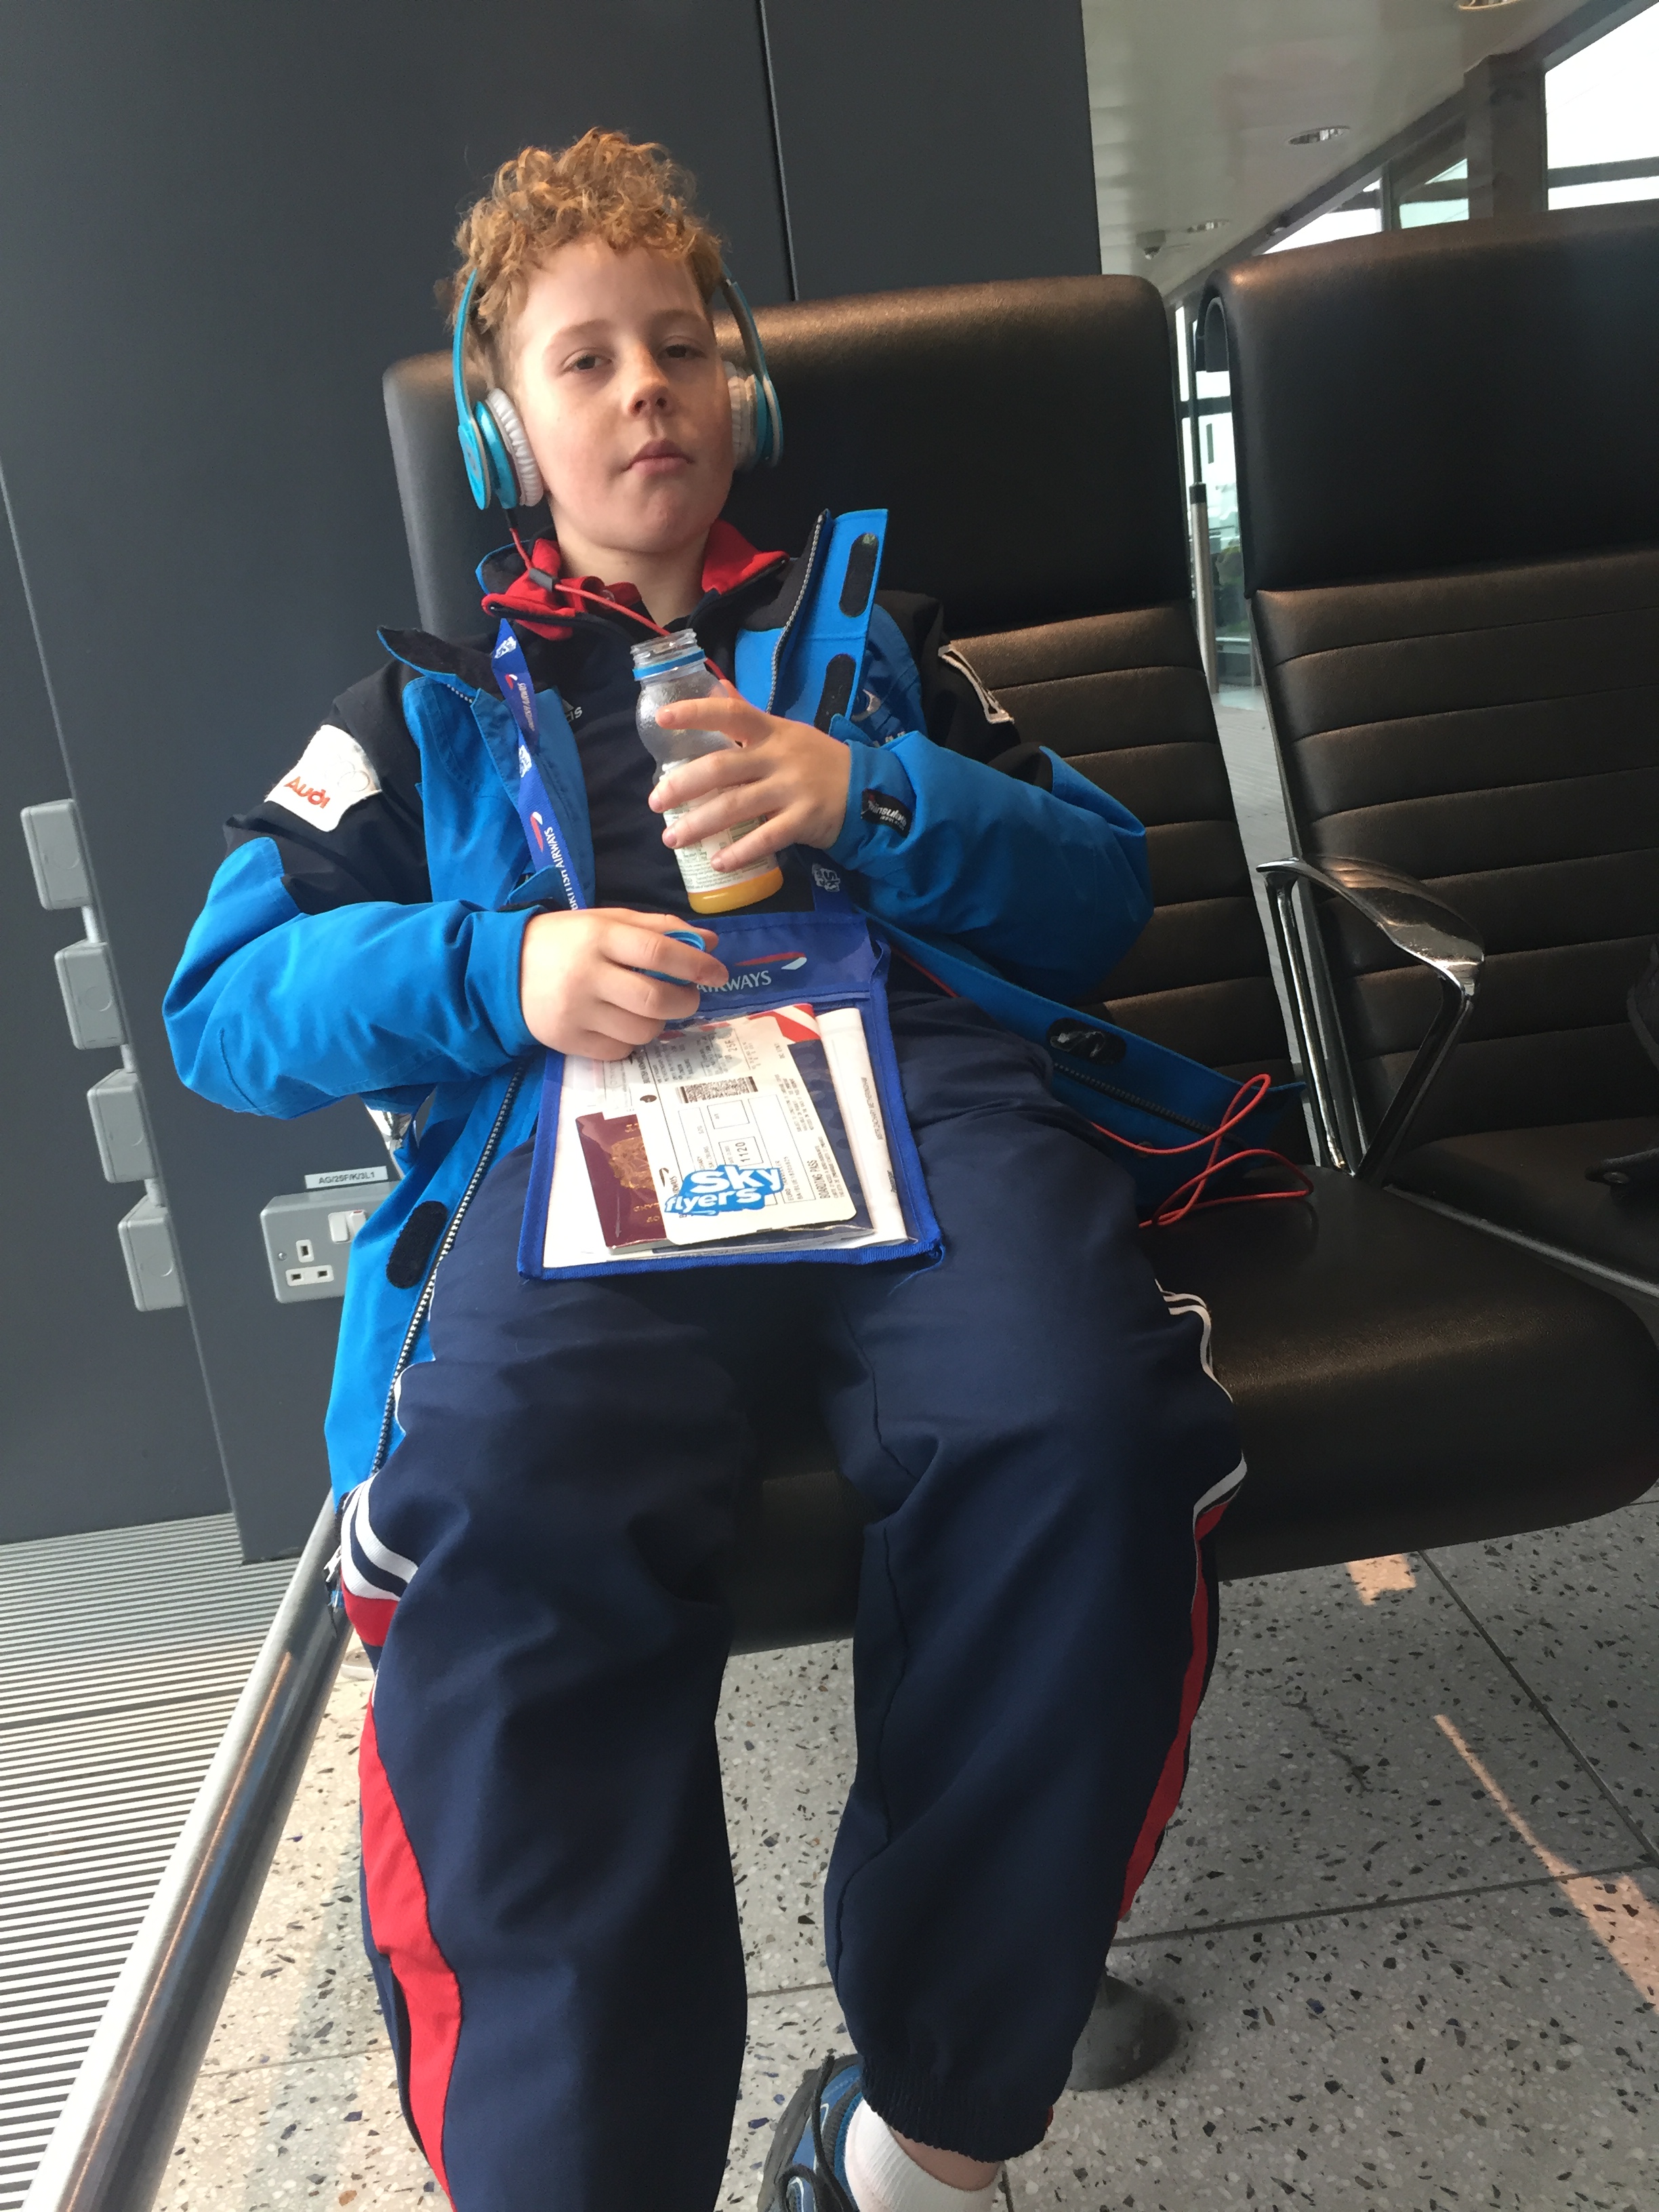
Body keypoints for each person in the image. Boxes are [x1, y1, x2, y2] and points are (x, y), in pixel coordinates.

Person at [165, 131, 1244, 2212]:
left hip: (918, 1097)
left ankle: (924, 2132)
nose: (645, 387)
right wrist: (501, 967)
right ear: (507, 430)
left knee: (1081, 1429)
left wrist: (875, 794)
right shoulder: (412, 717)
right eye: (586, 359)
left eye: (678, 346)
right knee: (499, 1507)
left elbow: (1101, 890)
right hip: (585, 1132)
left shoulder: (884, 650)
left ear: (736, 389)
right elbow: (226, 1006)